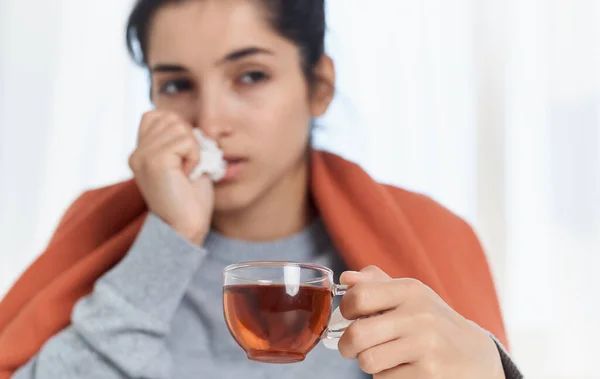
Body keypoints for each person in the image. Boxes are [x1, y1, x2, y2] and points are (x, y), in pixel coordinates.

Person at [0, 1, 523, 378]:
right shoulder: (96, 235)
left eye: (250, 76)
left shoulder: (433, 238)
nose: (210, 121)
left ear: (319, 86)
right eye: (177, 85)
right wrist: (170, 238)